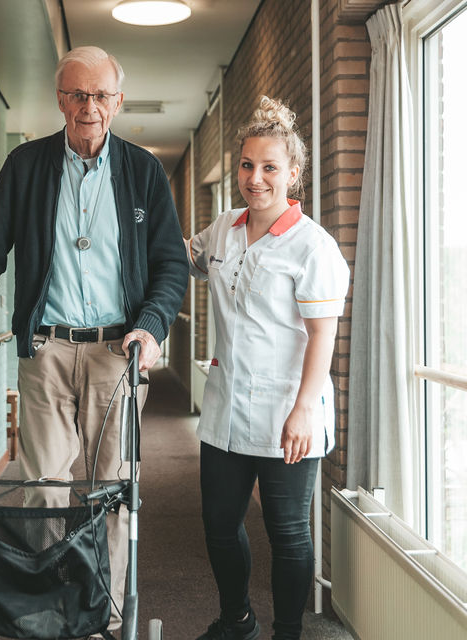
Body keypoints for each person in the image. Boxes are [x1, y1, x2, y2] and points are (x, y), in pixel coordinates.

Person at [0, 45, 188, 639]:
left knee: (114, 490)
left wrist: (152, 327)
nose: (89, 107)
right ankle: (49, 614)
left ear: (118, 102)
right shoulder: (26, 166)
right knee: (45, 490)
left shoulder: (143, 171)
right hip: (48, 352)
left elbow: (170, 266)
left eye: (101, 95)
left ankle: (105, 617)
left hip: (117, 352)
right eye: (77, 95)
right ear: (60, 100)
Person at [187, 96, 349, 640]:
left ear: (293, 173)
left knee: (288, 534)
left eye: (269, 167)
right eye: (247, 165)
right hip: (226, 409)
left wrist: (304, 411)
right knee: (218, 526)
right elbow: (186, 257)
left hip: (288, 410)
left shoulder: (313, 248)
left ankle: (286, 632)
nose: (255, 179)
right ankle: (237, 619)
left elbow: (323, 336)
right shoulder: (225, 228)